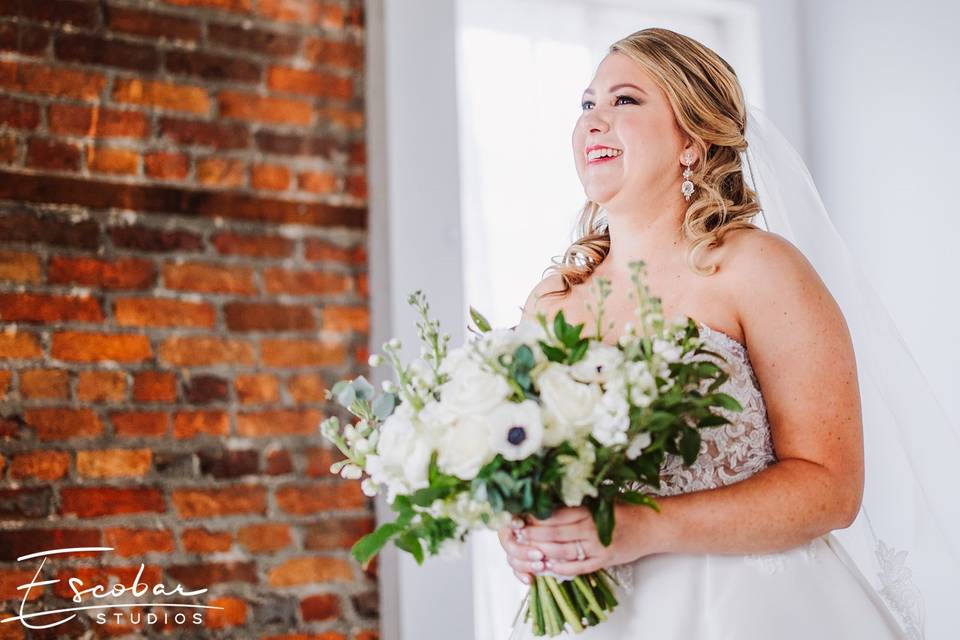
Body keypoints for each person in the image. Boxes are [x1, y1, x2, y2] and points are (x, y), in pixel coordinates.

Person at [487, 27, 919, 639]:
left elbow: (832, 488)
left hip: (748, 610)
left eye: (625, 101)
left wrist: (644, 525)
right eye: (587, 105)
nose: (593, 122)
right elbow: (535, 466)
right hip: (604, 615)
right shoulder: (554, 302)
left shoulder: (754, 268)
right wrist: (531, 532)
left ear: (690, 139)